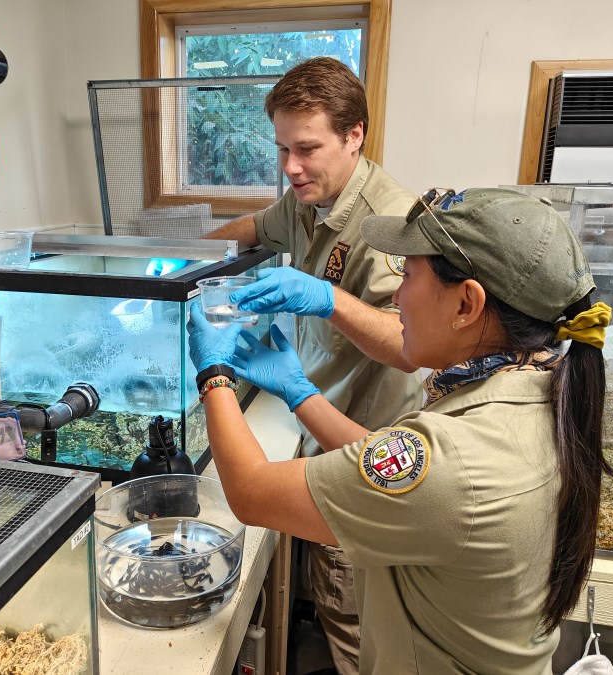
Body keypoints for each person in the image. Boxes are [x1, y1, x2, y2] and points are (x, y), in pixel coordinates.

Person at [187, 187, 613, 674]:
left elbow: (250, 493)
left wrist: (214, 373)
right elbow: (390, 467)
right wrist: (301, 392)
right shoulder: (533, 392)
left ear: (466, 304)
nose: (396, 297)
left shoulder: (457, 460)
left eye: (407, 276)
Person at [157, 57, 422, 672]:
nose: (290, 167)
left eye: (306, 148)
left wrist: (327, 300)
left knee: (354, 617)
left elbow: (409, 344)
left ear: (354, 135)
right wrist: (178, 260)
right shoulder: (308, 196)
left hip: (371, 442)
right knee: (329, 597)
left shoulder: (388, 221)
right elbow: (256, 229)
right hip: (317, 419)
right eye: (281, 148)